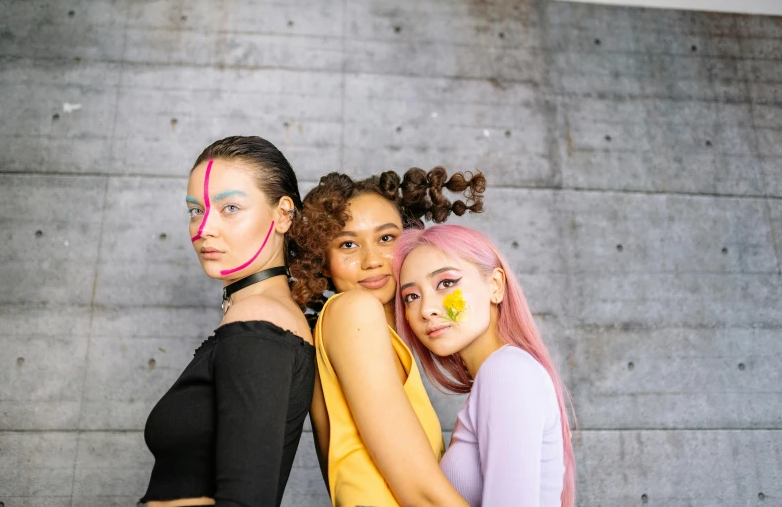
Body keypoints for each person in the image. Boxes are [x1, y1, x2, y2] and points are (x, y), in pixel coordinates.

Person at [287, 167, 485, 506]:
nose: (372, 261)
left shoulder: (379, 335)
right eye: (348, 244)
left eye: (386, 238)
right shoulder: (353, 311)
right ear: (323, 260)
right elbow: (419, 490)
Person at [139, 136, 315, 507]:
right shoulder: (259, 316)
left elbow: (246, 499)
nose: (203, 229)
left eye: (230, 207)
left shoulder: (260, 320)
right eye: (195, 210)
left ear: (283, 214)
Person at [392, 224, 576, 507]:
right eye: (411, 297)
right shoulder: (502, 373)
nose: (426, 309)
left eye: (446, 283)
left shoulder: (507, 372)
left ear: (495, 286)